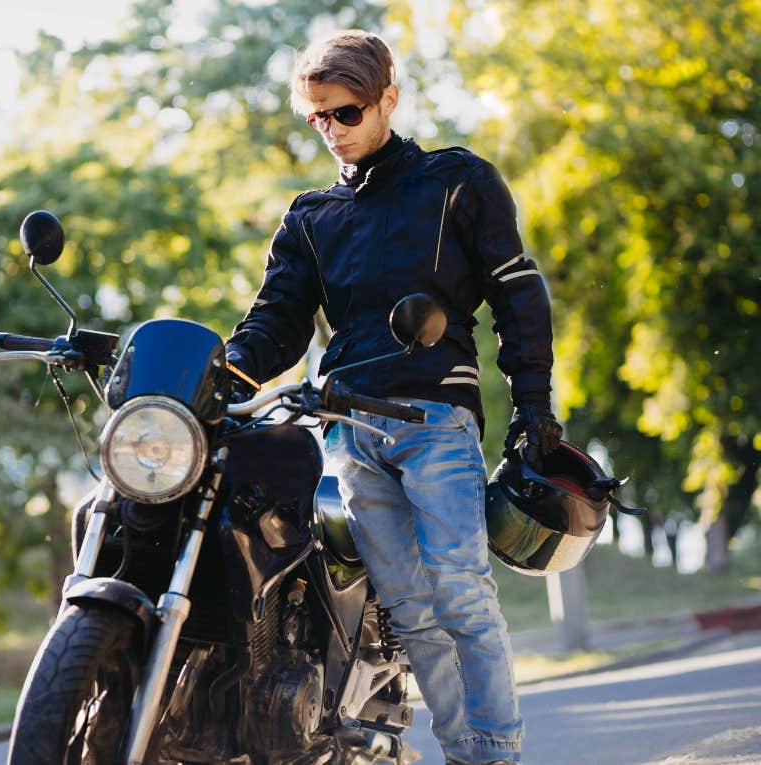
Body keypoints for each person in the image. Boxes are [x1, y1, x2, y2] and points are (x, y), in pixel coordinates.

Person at [223, 30, 562, 765]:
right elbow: (275, 322)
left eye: (344, 114)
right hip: (346, 427)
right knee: (411, 611)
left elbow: (518, 295)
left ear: (388, 100)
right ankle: (463, 749)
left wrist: (535, 407)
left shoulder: (456, 182)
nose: (331, 133)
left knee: (461, 594)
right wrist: (218, 374)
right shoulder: (311, 217)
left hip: (434, 418)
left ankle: (494, 754)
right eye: (316, 119)